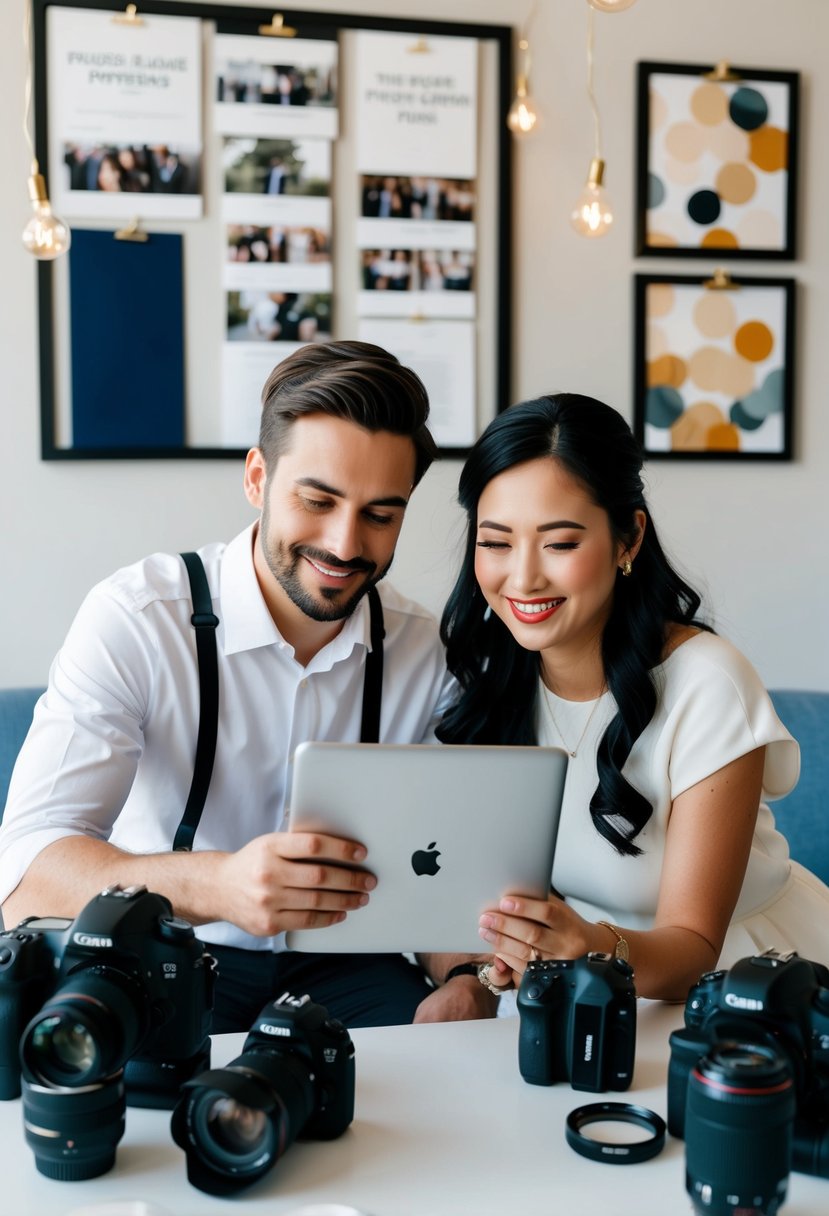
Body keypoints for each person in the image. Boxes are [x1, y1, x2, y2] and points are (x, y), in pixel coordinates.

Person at [0, 341, 496, 1031]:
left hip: (351, 964)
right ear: (257, 478)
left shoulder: (429, 651)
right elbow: (27, 875)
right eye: (317, 500)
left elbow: (445, 871)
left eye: (381, 515)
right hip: (173, 942)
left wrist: (465, 976)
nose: (346, 544)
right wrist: (218, 886)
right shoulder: (136, 619)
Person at [438, 393, 829, 1005]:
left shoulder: (708, 683)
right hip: (581, 984)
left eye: (560, 543)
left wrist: (583, 946)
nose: (522, 578)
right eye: (496, 542)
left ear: (628, 538)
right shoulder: (493, 679)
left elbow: (694, 946)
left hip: (735, 984)